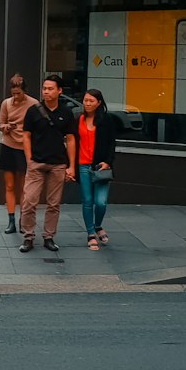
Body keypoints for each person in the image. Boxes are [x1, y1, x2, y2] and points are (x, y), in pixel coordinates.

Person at [19, 74, 77, 253]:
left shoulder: (66, 112)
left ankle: (49, 237)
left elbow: (71, 139)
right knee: (29, 201)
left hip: (58, 164)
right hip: (36, 163)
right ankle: (28, 237)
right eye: (44, 88)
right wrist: (29, 159)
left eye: (50, 88)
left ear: (59, 91)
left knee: (54, 204)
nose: (46, 92)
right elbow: (26, 136)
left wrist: (71, 166)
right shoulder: (33, 110)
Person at [76, 88, 116, 249]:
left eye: (91, 101)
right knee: (87, 201)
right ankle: (90, 233)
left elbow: (112, 144)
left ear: (99, 103)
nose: (87, 103)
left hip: (100, 166)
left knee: (101, 202)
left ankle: (98, 225)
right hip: (83, 165)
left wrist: (108, 162)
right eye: (85, 100)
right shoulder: (78, 119)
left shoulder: (106, 120)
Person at [0, 74, 36, 235]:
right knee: (9, 185)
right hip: (8, 145)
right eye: (13, 93)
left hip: (25, 147)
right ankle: (11, 219)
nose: (16, 96)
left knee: (24, 188)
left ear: (24, 91)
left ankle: (23, 219)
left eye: (18, 93)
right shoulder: (6, 103)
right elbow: (0, 124)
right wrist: (6, 127)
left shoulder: (33, 104)